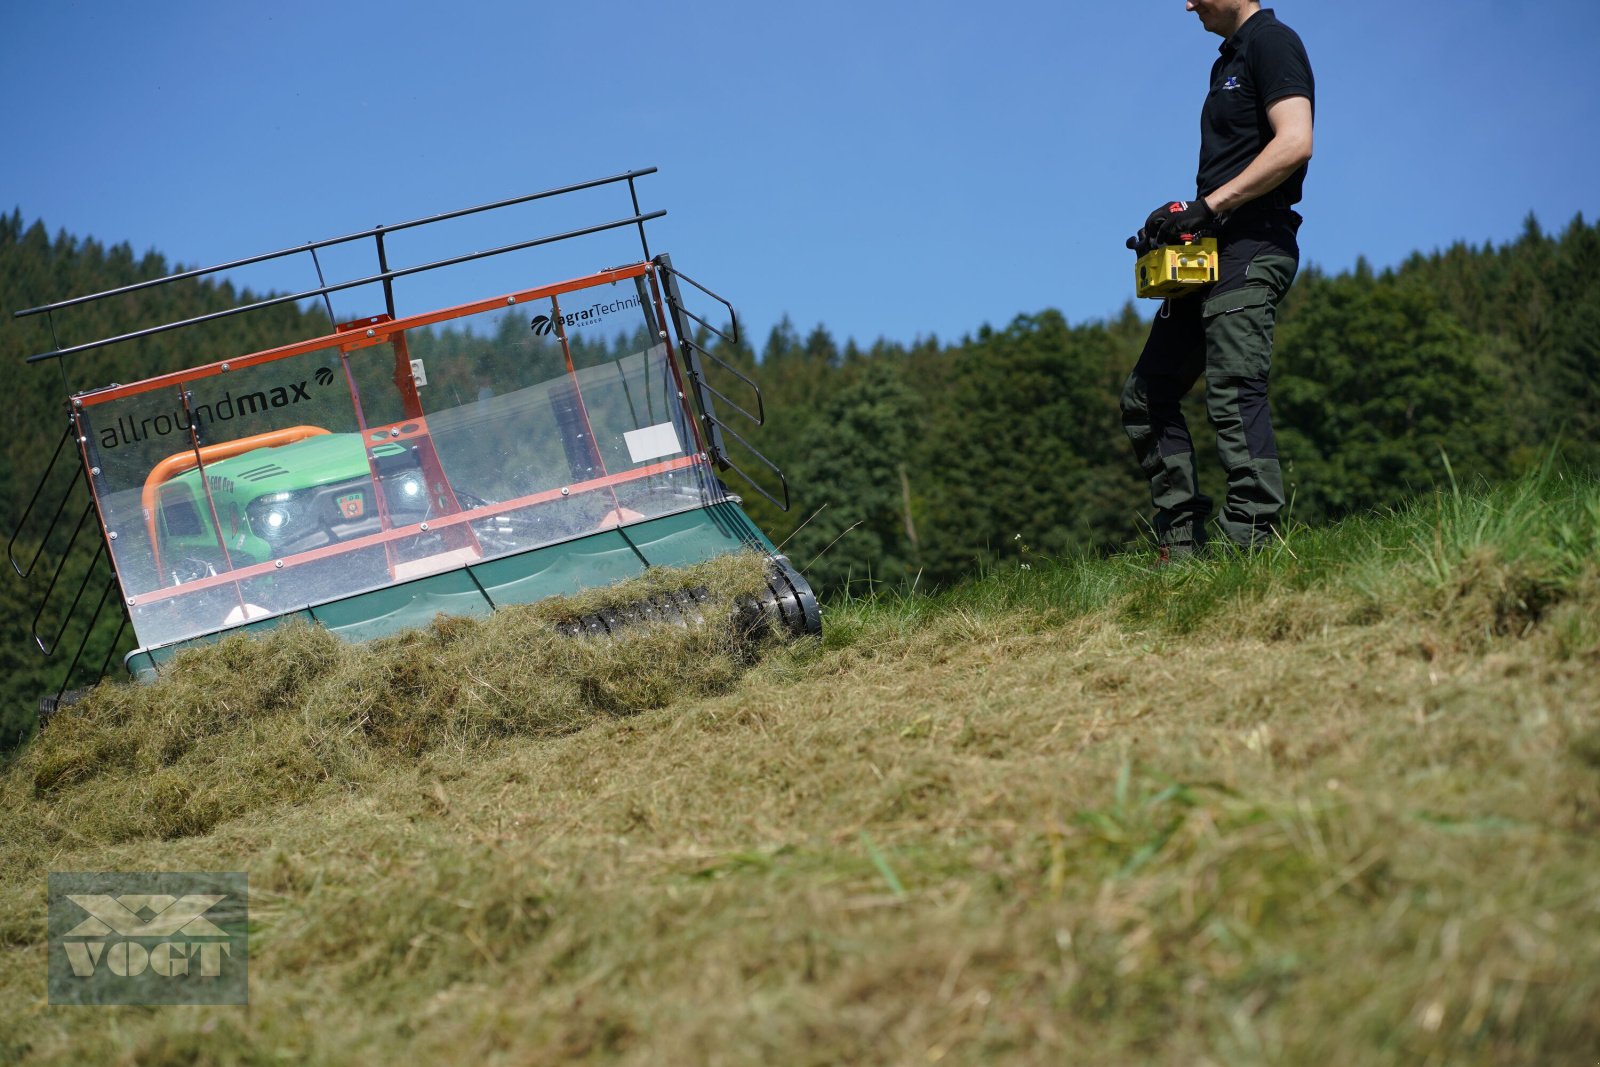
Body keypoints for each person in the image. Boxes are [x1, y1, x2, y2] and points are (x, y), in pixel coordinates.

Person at [1119, 1, 1314, 558]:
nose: (1187, 2)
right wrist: (1187, 211)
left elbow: (1295, 141)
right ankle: (1181, 546)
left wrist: (1210, 205)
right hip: (1210, 251)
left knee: (1233, 386)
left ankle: (1250, 541)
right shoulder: (1224, 61)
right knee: (1146, 396)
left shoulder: (1273, 42)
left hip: (1254, 244)